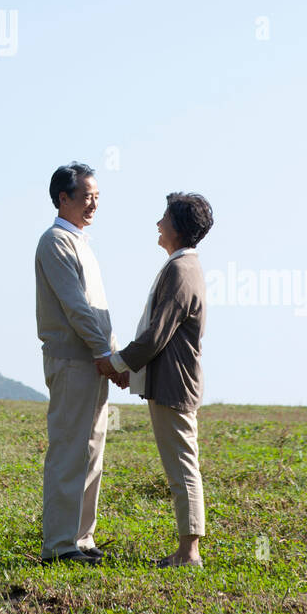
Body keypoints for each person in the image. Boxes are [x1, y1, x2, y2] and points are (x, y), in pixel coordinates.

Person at [98, 192, 213, 568]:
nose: (158, 223)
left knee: (182, 465)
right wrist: (128, 368)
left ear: (178, 227)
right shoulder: (183, 267)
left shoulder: (181, 270)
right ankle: (187, 548)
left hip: (174, 384)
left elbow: (156, 335)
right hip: (171, 380)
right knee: (181, 463)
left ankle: (189, 552)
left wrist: (116, 362)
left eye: (164, 217)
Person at [35, 162, 121, 565]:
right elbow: (76, 308)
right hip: (74, 361)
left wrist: (114, 355)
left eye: (97, 198)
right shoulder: (54, 242)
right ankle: (58, 545)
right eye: (86, 197)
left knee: (92, 450)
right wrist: (106, 353)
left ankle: (82, 538)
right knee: (69, 451)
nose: (93, 205)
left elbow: (98, 310)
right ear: (62, 198)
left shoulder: (82, 242)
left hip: (94, 361)